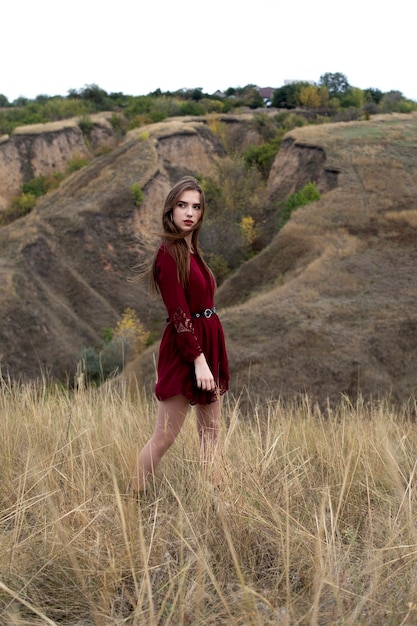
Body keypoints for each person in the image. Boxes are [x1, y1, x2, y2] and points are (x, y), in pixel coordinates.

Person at [130, 176, 229, 494]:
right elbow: (179, 314)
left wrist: (208, 356)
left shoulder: (191, 250)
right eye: (182, 205)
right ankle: (133, 499)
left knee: (212, 432)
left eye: (196, 207)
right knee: (164, 437)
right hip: (187, 350)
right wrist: (199, 360)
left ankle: (216, 503)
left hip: (207, 345)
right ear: (170, 210)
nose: (189, 212)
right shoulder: (168, 254)